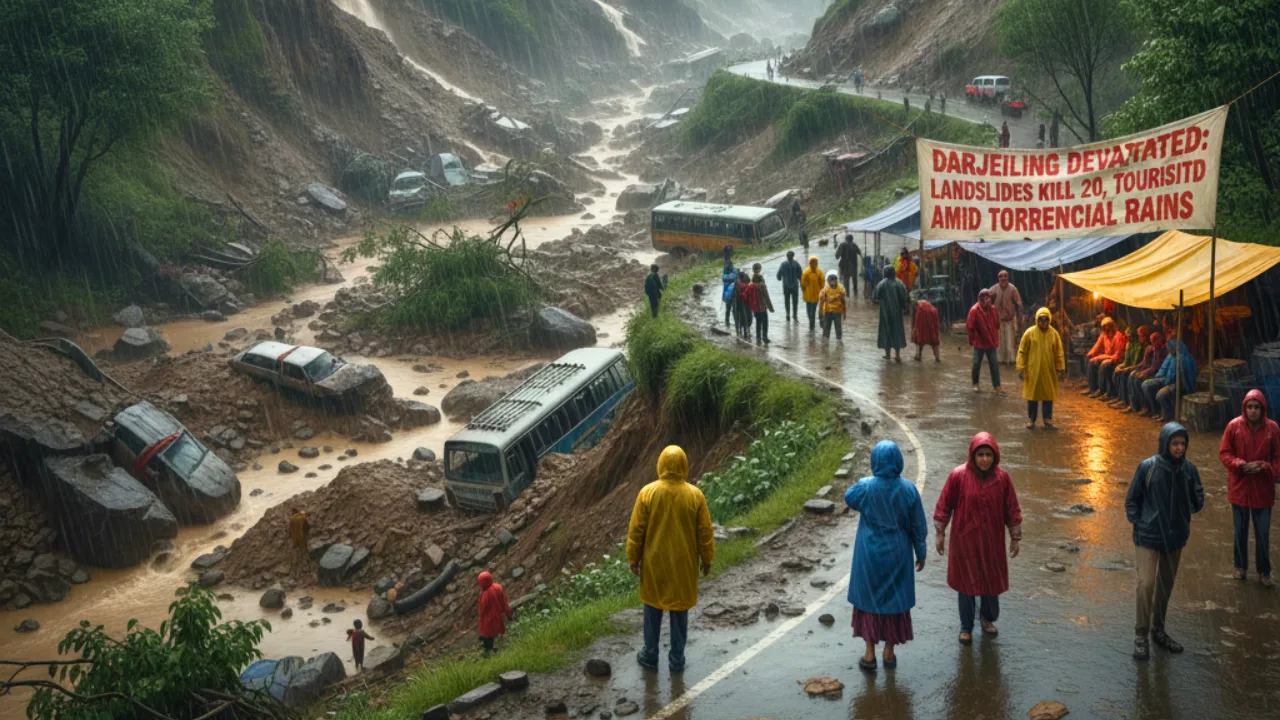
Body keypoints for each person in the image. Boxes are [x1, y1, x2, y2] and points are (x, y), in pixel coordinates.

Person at [627, 446, 715, 672]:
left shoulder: (647, 493)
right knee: (679, 610)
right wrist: (707, 559)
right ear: (684, 465)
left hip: (654, 564)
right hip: (683, 565)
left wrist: (633, 557)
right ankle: (677, 660)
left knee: (652, 609)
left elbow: (636, 530)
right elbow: (705, 532)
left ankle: (650, 655)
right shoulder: (695, 495)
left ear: (660, 464)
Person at [845, 441, 928, 672]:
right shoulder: (909, 489)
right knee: (895, 602)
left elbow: (849, 498)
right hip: (898, 554)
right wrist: (921, 553)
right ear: (899, 461)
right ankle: (889, 652)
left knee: (869, 603)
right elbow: (918, 526)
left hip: (869, 555)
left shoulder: (865, 487)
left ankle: (869, 654)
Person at [934, 432, 1022, 644]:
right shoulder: (958, 476)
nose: (984, 459)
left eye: (988, 455)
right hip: (964, 540)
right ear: (972, 456)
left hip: (992, 541)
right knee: (966, 583)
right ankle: (966, 626)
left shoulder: (1002, 479)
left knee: (991, 580)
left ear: (995, 456)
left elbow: (1012, 509)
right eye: (980, 455)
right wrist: (940, 533)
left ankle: (987, 618)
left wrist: (1015, 537)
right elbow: (944, 505)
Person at [1126, 423, 1204, 660]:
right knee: (1146, 584)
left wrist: (1184, 512)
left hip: (1175, 537)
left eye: (1182, 444)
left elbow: (1198, 499)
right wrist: (1139, 522)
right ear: (1165, 443)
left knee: (1165, 586)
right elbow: (1132, 499)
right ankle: (1141, 635)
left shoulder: (1189, 470)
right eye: (1174, 443)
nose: (1179, 448)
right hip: (1148, 536)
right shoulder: (1148, 467)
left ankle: (1158, 630)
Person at [1218, 390, 1280, 586]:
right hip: (1240, 488)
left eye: (1257, 407)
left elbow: (1278, 458)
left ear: (1263, 409)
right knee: (1240, 531)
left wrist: (1265, 467)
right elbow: (1224, 453)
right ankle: (1240, 566)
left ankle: (1264, 571)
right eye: (1250, 407)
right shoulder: (1233, 427)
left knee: (1263, 533)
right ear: (1244, 408)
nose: (1253, 411)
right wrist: (1240, 464)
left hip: (1263, 490)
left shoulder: (1273, 430)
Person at [1016, 308, 1065, 429]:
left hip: (1049, 370)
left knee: (1048, 395)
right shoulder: (1029, 333)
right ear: (1037, 320)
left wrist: (1060, 368)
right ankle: (1031, 420)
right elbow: (1022, 351)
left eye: (1046, 319)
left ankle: (1047, 419)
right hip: (1033, 370)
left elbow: (1059, 352)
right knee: (1032, 396)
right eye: (1041, 320)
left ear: (1049, 320)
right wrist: (1021, 367)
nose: (1043, 322)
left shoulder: (1054, 334)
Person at [1141, 335, 1196, 421]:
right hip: (1167, 379)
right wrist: (1156, 377)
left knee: (1161, 394)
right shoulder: (1170, 356)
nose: (1169, 350)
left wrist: (1187, 389)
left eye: (1170, 348)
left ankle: (1167, 415)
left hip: (1178, 383)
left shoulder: (1185, 357)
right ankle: (1155, 410)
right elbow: (1163, 369)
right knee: (1146, 384)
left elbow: (1188, 377)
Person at [1125, 331, 1168, 415]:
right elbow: (1145, 363)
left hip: (1158, 374)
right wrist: (1136, 369)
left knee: (1138, 380)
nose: (1153, 344)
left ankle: (1145, 406)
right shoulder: (1153, 348)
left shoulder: (1162, 350)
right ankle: (1134, 405)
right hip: (1151, 371)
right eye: (1152, 342)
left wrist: (1144, 373)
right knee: (1132, 376)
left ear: (1159, 340)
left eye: (1154, 342)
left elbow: (1156, 367)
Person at [967, 289, 1001, 392]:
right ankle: (975, 383)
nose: (986, 300)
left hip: (991, 341)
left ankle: (997, 386)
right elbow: (969, 327)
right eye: (983, 298)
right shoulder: (974, 310)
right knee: (976, 363)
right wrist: (972, 341)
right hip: (979, 342)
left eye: (987, 298)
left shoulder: (993, 309)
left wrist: (995, 338)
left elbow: (997, 324)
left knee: (994, 364)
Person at [873, 265, 909, 362]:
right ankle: (897, 355)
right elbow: (905, 296)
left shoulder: (881, 284)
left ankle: (887, 354)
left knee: (886, 332)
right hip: (897, 313)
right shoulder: (900, 283)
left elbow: (875, 297)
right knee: (897, 332)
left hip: (885, 312)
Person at [1085, 317, 1127, 398]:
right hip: (1108, 357)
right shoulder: (1104, 334)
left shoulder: (1118, 337)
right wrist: (1091, 353)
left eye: (1107, 328)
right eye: (1103, 328)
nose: (1105, 330)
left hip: (1118, 360)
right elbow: (1097, 345)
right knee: (1092, 362)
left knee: (1104, 365)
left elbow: (1117, 356)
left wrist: (1101, 357)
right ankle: (1092, 388)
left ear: (1112, 326)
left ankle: (1103, 390)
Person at [1108, 326, 1149, 406]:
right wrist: (1120, 367)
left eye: (1129, 336)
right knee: (1117, 373)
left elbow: (1138, 363)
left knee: (1124, 375)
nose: (1126, 338)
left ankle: (1126, 401)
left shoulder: (1140, 345)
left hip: (1138, 367)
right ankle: (1120, 397)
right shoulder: (1129, 344)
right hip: (1133, 366)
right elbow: (1127, 361)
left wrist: (1127, 368)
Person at [989, 271, 1023, 365]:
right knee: (998, 344)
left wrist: (1020, 318)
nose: (1003, 278)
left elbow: (1019, 303)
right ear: (998, 278)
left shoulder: (1012, 289)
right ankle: (999, 362)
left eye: (1005, 276)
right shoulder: (993, 289)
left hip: (1009, 320)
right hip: (997, 320)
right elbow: (986, 302)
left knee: (1010, 344)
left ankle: (1011, 362)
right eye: (1001, 277)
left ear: (1008, 277)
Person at [477, 570, 513, 655]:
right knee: (496, 631)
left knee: (487, 633)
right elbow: (504, 602)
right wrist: (509, 615)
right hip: (498, 616)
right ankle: (496, 646)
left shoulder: (484, 594)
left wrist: (480, 617)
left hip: (488, 619)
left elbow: (481, 610)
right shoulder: (498, 587)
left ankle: (488, 651)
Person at [747, 269, 775, 345]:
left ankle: (758, 338)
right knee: (765, 322)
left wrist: (750, 307)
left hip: (755, 308)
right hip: (762, 307)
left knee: (758, 322)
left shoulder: (751, 286)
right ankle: (765, 337)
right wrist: (771, 308)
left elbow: (749, 297)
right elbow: (767, 297)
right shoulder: (762, 286)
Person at [819, 272, 847, 341]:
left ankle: (839, 343)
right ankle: (825, 344)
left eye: (834, 281)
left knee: (838, 331)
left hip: (837, 312)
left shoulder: (841, 289)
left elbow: (843, 301)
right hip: (827, 312)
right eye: (831, 281)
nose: (833, 283)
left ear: (836, 280)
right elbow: (821, 303)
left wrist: (844, 313)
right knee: (826, 332)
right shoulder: (825, 290)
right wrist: (820, 315)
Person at [776, 250, 803, 322]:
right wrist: (801, 284)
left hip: (786, 286)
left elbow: (778, 276)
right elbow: (800, 275)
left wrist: (780, 277)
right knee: (795, 301)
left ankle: (788, 314)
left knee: (787, 300)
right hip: (795, 286)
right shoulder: (796, 264)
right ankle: (795, 315)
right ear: (793, 256)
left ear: (787, 256)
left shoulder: (783, 264)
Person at [801, 256, 825, 332]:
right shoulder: (806, 273)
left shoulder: (819, 273)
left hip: (816, 296)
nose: (813, 264)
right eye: (812, 262)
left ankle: (812, 326)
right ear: (810, 263)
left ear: (817, 263)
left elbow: (822, 284)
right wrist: (804, 291)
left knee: (813, 311)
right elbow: (803, 284)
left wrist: (822, 293)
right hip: (808, 296)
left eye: (815, 262)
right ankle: (811, 323)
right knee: (809, 312)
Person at [835, 234, 863, 298]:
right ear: (852, 240)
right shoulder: (854, 245)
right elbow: (860, 253)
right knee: (854, 281)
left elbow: (837, 256)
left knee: (846, 282)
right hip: (853, 266)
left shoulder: (842, 245)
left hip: (845, 267)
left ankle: (847, 296)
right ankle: (855, 296)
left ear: (846, 239)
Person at [733, 270, 753, 339]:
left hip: (739, 303)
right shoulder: (747, 285)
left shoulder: (737, 283)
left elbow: (735, 294)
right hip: (746, 303)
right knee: (748, 316)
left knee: (740, 317)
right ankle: (747, 331)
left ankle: (739, 331)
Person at [721, 259, 736, 326]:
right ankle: (734, 322)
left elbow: (725, 278)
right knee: (732, 309)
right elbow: (734, 277)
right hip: (731, 294)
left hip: (728, 294)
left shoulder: (725, 273)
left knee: (729, 309)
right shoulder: (733, 272)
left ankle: (728, 323)